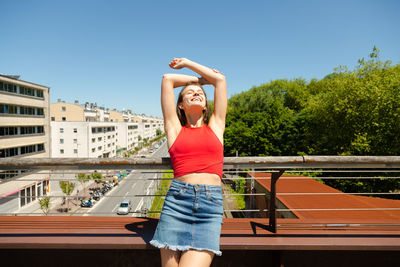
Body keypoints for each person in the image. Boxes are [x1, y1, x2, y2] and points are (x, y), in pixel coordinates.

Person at [150, 58, 227, 267]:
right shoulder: (174, 129)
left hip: (210, 208)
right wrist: (200, 81)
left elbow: (220, 81)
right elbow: (168, 79)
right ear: (181, 105)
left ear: (205, 107)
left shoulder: (216, 127)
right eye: (190, 93)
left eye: (201, 93)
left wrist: (188, 63)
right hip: (177, 202)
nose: (197, 93)